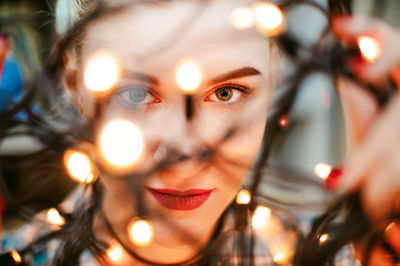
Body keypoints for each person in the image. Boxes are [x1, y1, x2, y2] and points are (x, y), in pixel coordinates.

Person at [1, 0, 400, 265]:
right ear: (74, 87)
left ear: (275, 83)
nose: (187, 150)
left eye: (227, 93)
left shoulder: (329, 254)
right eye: (136, 92)